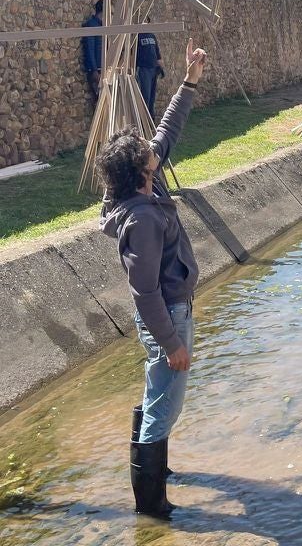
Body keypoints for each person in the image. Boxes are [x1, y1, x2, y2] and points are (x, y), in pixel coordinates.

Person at [96, 38, 207, 519]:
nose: (154, 154)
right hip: (168, 317)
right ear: (140, 172)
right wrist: (171, 341)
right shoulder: (140, 220)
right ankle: (152, 509)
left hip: (172, 313)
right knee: (166, 405)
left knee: (154, 394)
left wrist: (188, 81)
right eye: (148, 155)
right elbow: (144, 290)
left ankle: (155, 472)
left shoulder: (144, 184)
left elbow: (168, 132)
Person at [136, 19, 164, 121]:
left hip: (153, 69)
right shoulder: (137, 35)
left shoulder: (151, 35)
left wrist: (160, 66)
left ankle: (151, 120)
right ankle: (143, 123)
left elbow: (157, 52)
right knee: (145, 96)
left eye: (147, 21)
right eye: (143, 21)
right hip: (143, 69)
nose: (145, 23)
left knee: (151, 97)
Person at [82, 0, 103, 103]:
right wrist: (94, 71)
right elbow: (89, 48)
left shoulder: (102, 26)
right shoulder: (92, 25)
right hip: (97, 71)